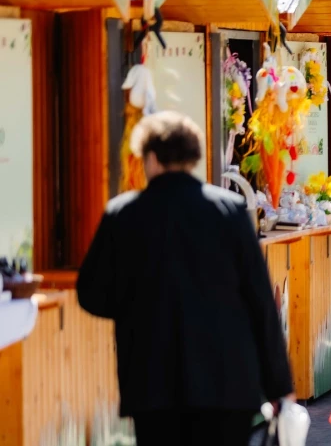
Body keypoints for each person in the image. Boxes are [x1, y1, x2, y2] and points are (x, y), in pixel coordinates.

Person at [77, 112, 293, 446]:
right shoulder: (231, 210)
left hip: (152, 382)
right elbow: (260, 302)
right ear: (193, 157)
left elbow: (91, 293)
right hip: (228, 381)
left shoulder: (123, 214)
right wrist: (280, 384)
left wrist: (134, 307)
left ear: (150, 157)